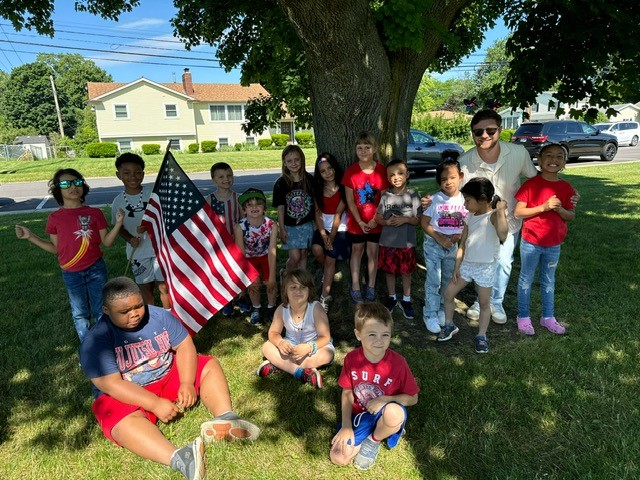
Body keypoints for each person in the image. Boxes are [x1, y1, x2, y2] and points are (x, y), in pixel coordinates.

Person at [79, 277, 260, 480]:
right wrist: (154, 403)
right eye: (124, 312)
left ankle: (226, 418)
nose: (135, 314)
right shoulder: (95, 341)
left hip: (166, 373)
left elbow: (184, 345)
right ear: (106, 310)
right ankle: (181, 458)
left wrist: (186, 382)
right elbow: (112, 384)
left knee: (209, 365)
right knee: (117, 419)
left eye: (139, 306)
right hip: (128, 391)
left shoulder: (158, 315)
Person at [15, 168, 124, 341]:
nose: (73, 186)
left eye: (77, 182)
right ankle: (88, 348)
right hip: (71, 272)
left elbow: (107, 242)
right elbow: (55, 248)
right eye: (66, 183)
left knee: (101, 309)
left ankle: (105, 346)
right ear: (58, 189)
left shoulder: (95, 213)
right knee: (80, 313)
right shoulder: (55, 218)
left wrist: (118, 223)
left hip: (96, 268)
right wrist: (31, 236)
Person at [457, 110, 538, 324]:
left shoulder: (518, 153)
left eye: (490, 130)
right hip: (479, 224)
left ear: (499, 130)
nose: (484, 135)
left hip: (509, 220)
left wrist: (560, 192)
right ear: (472, 134)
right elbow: (456, 195)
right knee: (481, 261)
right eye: (478, 132)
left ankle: (497, 301)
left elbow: (534, 180)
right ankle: (480, 301)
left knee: (503, 262)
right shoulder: (464, 161)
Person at [330, 302, 419, 470]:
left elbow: (413, 398)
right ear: (358, 334)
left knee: (394, 414)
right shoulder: (351, 359)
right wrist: (347, 425)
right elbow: (347, 391)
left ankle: (374, 440)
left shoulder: (398, 363)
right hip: (360, 414)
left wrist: (385, 399)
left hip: (385, 411)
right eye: (372, 334)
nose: (379, 341)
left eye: (385, 335)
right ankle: (374, 431)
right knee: (338, 457)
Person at [437, 178, 508, 354]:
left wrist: (500, 212)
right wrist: (457, 267)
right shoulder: (469, 217)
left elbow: (503, 234)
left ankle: (481, 336)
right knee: (448, 294)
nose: (465, 204)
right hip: (467, 265)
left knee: (484, 304)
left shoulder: (492, 217)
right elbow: (463, 244)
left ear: (483, 198)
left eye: (468, 200)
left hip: (486, 268)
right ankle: (449, 325)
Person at [514, 143, 575, 335]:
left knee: (549, 280)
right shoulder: (531, 185)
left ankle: (548, 317)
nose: (554, 160)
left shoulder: (566, 187)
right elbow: (518, 212)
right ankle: (523, 316)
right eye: (549, 156)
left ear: (564, 163)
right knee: (526, 279)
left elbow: (570, 215)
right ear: (539, 160)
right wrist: (544, 207)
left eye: (559, 157)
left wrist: (559, 209)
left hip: (553, 244)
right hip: (531, 242)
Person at [257, 269, 334, 388]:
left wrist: (308, 347)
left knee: (327, 355)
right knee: (266, 346)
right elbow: (273, 333)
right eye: (293, 287)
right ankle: (301, 372)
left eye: (303, 287)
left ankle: (280, 365)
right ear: (285, 291)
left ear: (309, 290)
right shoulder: (282, 309)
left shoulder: (316, 308)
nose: (298, 291)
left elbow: (325, 337)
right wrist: (281, 342)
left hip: (313, 347)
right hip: (291, 347)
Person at [112, 152, 170, 309]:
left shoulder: (152, 193)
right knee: (145, 287)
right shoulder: (117, 202)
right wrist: (130, 238)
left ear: (143, 174)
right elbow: (119, 228)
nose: (133, 177)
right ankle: (152, 319)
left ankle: (169, 317)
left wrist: (151, 224)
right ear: (118, 175)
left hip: (159, 247)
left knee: (163, 286)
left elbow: (165, 214)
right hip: (138, 251)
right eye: (127, 173)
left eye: (138, 172)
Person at [421, 158, 468, 334]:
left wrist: (458, 235)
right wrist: (440, 238)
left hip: (453, 246)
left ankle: (442, 307)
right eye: (443, 179)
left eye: (452, 177)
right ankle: (430, 312)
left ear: (461, 177)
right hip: (434, 244)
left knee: (448, 279)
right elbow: (425, 223)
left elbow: (465, 222)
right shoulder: (434, 200)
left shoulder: (465, 200)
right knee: (434, 279)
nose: (448, 182)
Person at [342, 132, 390, 303]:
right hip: (357, 223)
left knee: (373, 252)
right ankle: (355, 286)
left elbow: (385, 198)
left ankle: (371, 285)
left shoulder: (381, 171)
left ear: (374, 149)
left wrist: (374, 219)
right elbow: (350, 201)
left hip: (376, 221)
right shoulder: (351, 172)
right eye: (359, 148)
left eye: (367, 147)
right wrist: (360, 221)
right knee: (357, 251)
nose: (363, 151)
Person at [374, 159, 421, 319]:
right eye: (392, 174)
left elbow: (418, 220)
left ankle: (406, 300)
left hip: (406, 243)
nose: (396, 177)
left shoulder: (413, 195)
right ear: (387, 178)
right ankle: (392, 297)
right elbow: (378, 217)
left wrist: (405, 219)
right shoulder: (385, 196)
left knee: (406, 272)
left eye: (400, 173)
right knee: (390, 272)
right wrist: (387, 222)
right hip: (388, 242)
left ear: (407, 175)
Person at [204, 161, 249, 316]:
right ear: (213, 179)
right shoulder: (209, 200)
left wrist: (238, 234)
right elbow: (205, 223)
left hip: (237, 242)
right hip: (219, 244)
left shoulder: (239, 198)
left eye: (229, 175)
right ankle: (227, 300)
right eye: (221, 176)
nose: (226, 179)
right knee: (222, 272)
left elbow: (246, 220)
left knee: (239, 269)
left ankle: (243, 296)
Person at [311, 153, 350, 312]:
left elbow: (338, 215)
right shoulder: (318, 189)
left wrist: (332, 236)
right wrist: (322, 234)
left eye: (330, 168)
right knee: (317, 249)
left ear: (335, 168)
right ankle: (329, 272)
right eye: (323, 171)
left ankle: (324, 297)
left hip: (339, 227)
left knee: (330, 257)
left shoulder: (343, 187)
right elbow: (317, 214)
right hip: (323, 227)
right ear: (319, 173)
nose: (328, 173)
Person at [234, 188, 278, 326]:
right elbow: (241, 253)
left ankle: (272, 307)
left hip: (266, 256)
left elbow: (272, 250)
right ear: (244, 210)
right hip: (248, 258)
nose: (254, 207)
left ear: (264, 207)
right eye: (249, 205)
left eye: (258, 204)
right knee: (253, 285)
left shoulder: (271, 224)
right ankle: (256, 308)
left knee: (271, 283)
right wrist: (249, 276)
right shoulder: (240, 227)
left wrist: (271, 277)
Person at [272, 145, 315, 274]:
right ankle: (285, 275)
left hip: (306, 225)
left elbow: (315, 204)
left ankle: (301, 282)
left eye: (296, 160)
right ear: (284, 163)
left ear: (302, 160)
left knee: (303, 254)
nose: (294, 163)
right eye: (289, 161)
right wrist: (282, 228)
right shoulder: (281, 183)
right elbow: (280, 208)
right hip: (290, 226)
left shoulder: (309, 180)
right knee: (295, 257)